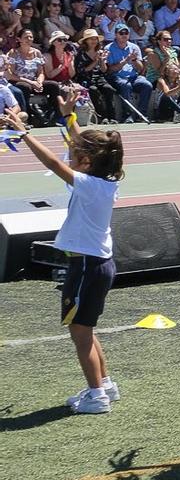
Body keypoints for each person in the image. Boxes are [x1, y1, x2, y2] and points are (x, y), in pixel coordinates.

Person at [3, 90, 123, 414]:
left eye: (78, 153)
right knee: (87, 328)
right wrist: (70, 119)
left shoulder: (88, 184)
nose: (71, 153)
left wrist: (25, 135)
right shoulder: (100, 181)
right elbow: (77, 151)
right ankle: (105, 384)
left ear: (87, 161)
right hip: (96, 264)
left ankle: (96, 395)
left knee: (79, 332)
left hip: (86, 267)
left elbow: (55, 162)